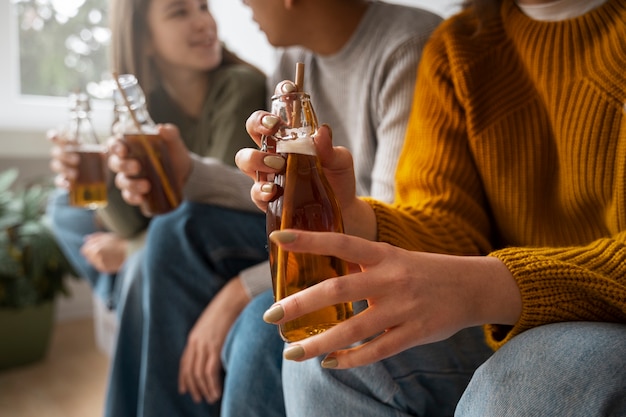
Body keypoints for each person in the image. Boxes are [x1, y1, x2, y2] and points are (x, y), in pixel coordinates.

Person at [237, 0, 626, 415]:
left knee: (538, 373)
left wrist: (491, 286)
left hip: (588, 319)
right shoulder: (458, 49)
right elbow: (451, 223)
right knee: (330, 348)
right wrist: (350, 216)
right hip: (505, 311)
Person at [108, 0, 445, 415]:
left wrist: (242, 289)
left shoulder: (406, 48)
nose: (239, 5)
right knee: (176, 228)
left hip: (372, 243)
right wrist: (188, 173)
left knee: (255, 325)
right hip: (325, 235)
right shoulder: (293, 57)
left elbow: (400, 228)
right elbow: (282, 194)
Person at [48, 0, 267, 415]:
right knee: (62, 204)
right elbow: (132, 218)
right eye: (179, 12)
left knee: (144, 257)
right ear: (144, 38)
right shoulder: (145, 106)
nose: (204, 21)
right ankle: (129, 279)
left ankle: (131, 277)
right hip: (172, 227)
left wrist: (131, 250)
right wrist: (90, 173)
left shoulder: (239, 86)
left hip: (233, 227)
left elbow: (216, 204)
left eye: (203, 6)